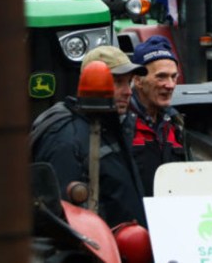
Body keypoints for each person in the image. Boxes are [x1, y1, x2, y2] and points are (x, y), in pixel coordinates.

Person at [31, 46, 148, 228]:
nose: (128, 91)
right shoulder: (66, 138)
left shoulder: (110, 127)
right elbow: (62, 219)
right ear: (92, 81)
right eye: (118, 82)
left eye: (129, 82)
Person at [128, 35, 189, 195]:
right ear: (138, 80)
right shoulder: (122, 125)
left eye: (173, 77)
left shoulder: (176, 124)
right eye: (161, 77)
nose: (170, 85)